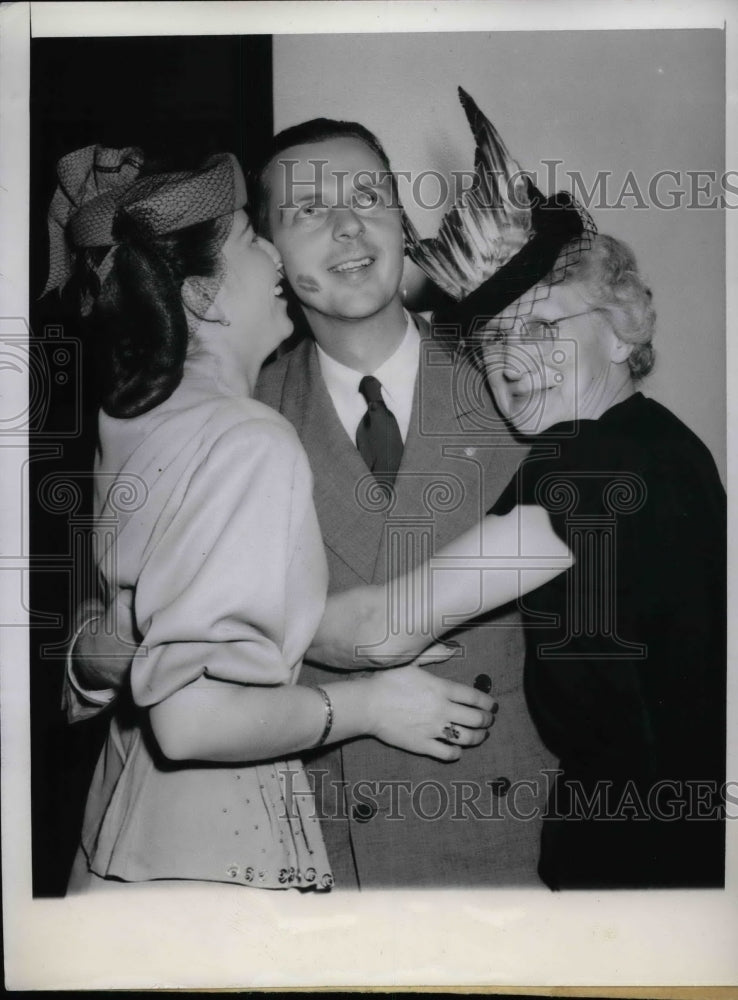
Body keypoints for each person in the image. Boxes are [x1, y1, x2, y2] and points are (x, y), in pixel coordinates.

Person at [69, 120, 557, 889]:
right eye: (305, 212)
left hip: (507, 861)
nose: (347, 225)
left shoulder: (524, 384)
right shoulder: (227, 415)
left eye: (370, 196)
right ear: (265, 251)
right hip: (310, 869)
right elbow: (99, 642)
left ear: (404, 220)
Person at [350, 90, 727, 888]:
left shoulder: (592, 463)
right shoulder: (662, 446)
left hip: (638, 864)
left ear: (625, 331)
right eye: (490, 338)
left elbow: (388, 628)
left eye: (542, 325)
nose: (509, 358)